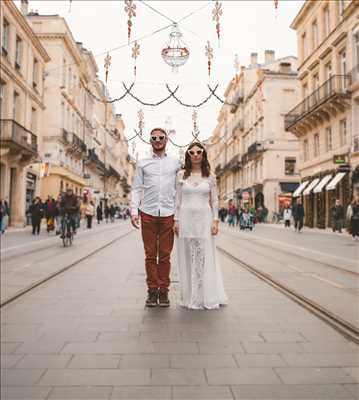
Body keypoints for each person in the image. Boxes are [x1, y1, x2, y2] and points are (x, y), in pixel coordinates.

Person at [130, 127, 182, 307]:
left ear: (167, 140)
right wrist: (133, 211)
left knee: (165, 255)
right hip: (148, 213)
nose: (158, 140)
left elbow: (179, 190)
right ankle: (152, 292)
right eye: (154, 138)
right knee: (150, 255)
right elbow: (136, 188)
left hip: (168, 213)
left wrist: (178, 217)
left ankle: (164, 291)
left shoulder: (176, 163)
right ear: (150, 141)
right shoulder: (142, 163)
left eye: (161, 137)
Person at [173, 142, 227, 309]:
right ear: (188, 155)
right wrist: (176, 220)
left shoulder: (210, 176)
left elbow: (215, 200)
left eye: (199, 151)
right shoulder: (181, 175)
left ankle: (205, 296)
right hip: (186, 218)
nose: (195, 154)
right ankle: (190, 296)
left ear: (203, 154)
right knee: (188, 255)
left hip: (205, 218)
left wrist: (216, 220)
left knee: (203, 256)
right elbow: (177, 199)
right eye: (192, 152)